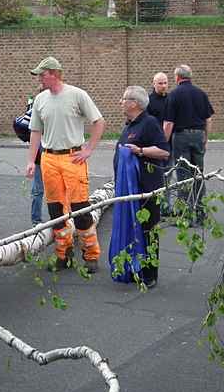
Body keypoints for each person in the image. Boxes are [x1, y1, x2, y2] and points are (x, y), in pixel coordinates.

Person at [25, 56, 105, 273]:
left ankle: (90, 255)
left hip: (73, 158)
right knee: (56, 210)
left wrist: (88, 149)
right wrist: (32, 161)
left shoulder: (77, 95)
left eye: (42, 75)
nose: (39, 79)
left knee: (80, 208)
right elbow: (35, 132)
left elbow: (99, 122)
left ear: (54, 74)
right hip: (49, 159)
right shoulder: (40, 99)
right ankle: (63, 254)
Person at [110, 86, 169, 288]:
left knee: (148, 230)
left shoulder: (149, 123)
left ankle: (150, 273)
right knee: (133, 229)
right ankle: (134, 267)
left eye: (123, 99)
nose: (120, 102)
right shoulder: (130, 125)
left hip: (148, 187)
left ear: (134, 103)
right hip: (130, 190)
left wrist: (141, 151)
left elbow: (163, 151)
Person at [163, 65, 215, 225]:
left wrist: (164, 142)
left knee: (183, 176)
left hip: (181, 137)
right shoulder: (201, 94)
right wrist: (205, 138)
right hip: (199, 135)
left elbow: (169, 123)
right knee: (198, 174)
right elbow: (208, 119)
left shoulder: (174, 95)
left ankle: (185, 216)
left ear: (177, 77)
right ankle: (201, 213)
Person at [14, 80, 48, 225]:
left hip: (55, 154)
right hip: (42, 154)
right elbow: (19, 123)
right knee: (38, 189)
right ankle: (36, 221)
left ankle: (60, 220)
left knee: (56, 190)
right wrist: (30, 138)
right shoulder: (36, 108)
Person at [147, 72, 172, 214]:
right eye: (160, 83)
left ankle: (166, 207)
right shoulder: (149, 101)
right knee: (156, 177)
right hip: (154, 145)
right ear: (154, 84)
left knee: (168, 175)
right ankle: (155, 206)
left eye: (165, 83)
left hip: (169, 145)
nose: (163, 86)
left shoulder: (171, 99)